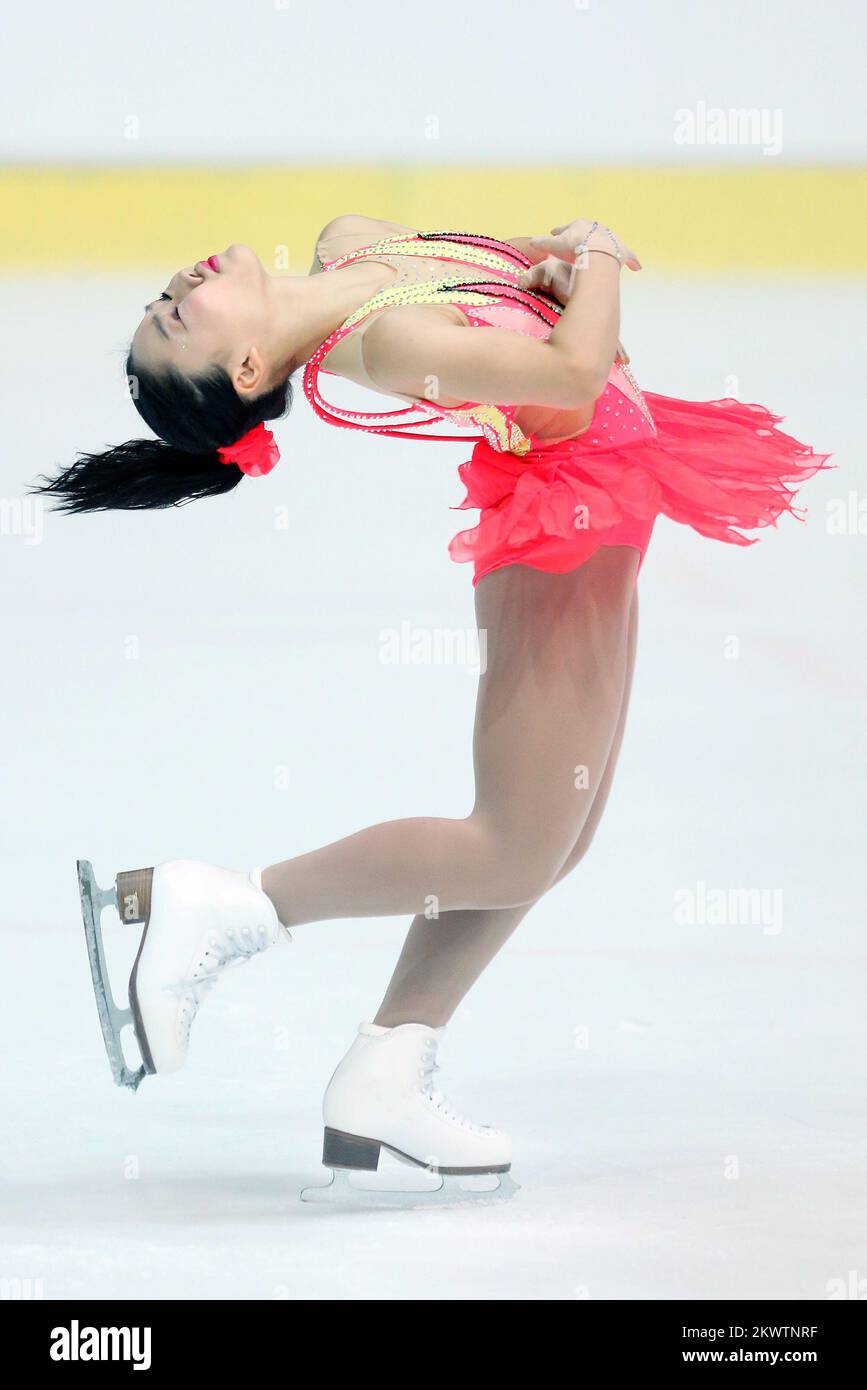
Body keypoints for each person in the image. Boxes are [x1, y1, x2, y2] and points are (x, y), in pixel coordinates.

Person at [39, 214, 830, 1194]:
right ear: (248, 365)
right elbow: (578, 377)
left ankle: (388, 1067)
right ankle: (222, 907)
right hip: (567, 512)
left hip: (601, 494)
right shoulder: (383, 342)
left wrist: (551, 279)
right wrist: (595, 258)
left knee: (552, 839)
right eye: (175, 319)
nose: (174, 287)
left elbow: (513, 306)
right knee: (514, 842)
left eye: (161, 302)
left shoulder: (349, 251)